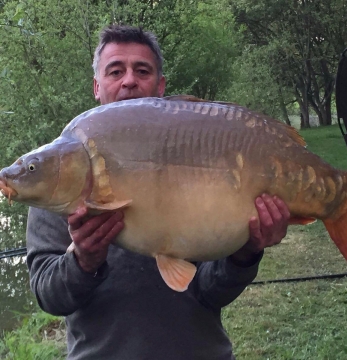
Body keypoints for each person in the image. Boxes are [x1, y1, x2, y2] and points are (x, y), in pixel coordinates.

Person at [26, 25, 290, 360]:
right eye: (115, 70)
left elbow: (210, 291)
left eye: (142, 70)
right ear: (97, 86)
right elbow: (49, 297)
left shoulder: (194, 153)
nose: (129, 80)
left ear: (160, 86)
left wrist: (246, 252)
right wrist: (83, 261)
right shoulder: (61, 173)